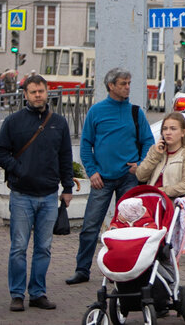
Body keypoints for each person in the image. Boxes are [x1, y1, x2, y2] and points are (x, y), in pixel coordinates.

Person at [66, 68, 155, 285]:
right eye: (123, 83)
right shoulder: (96, 112)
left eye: (128, 83)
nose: (127, 87)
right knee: (90, 225)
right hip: (102, 179)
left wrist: (141, 164)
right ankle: (82, 269)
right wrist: (92, 171)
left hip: (129, 178)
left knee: (131, 226)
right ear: (111, 86)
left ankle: (130, 270)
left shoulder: (136, 112)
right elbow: (86, 144)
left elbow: (148, 142)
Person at [0, 74, 73, 312]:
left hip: (49, 195)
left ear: (47, 92)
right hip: (22, 195)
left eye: (41, 91)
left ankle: (38, 293)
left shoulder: (59, 122)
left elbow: (65, 157)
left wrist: (67, 188)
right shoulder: (14, 121)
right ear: (25, 94)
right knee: (18, 247)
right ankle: (17, 294)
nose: (38, 95)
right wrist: (20, 170)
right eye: (33, 91)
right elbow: (0, 151)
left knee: (43, 248)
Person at [132, 112, 185, 199]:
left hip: (171, 204)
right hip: (151, 201)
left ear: (183, 132)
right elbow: (140, 176)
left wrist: (161, 191)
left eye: (173, 129)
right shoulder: (155, 151)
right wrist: (156, 155)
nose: (168, 133)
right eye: (165, 129)